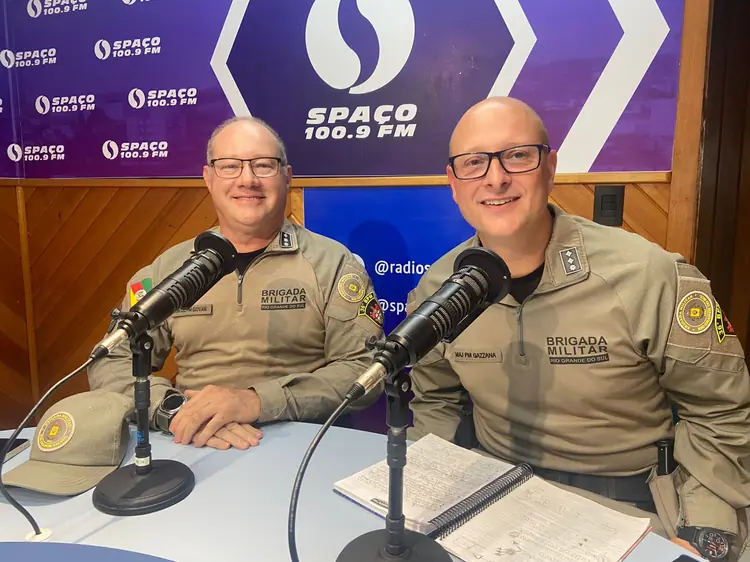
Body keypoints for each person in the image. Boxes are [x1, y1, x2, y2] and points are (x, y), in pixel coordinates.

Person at [406, 96, 750, 561]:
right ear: (453, 183)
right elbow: (435, 401)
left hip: (634, 507)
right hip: (495, 497)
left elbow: (721, 412)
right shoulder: (439, 290)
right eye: (474, 163)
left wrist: (704, 526)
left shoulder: (648, 274)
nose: (495, 177)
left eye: (517, 156)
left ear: (550, 168)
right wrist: (429, 491)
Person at [88, 116, 384, 452]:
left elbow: (366, 370)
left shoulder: (332, 264)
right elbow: (110, 361)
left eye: (263, 165)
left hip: (303, 444)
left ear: (287, 177)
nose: (247, 180)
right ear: (208, 178)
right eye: (229, 166)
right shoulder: (168, 268)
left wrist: (256, 401)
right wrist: (173, 410)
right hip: (192, 440)